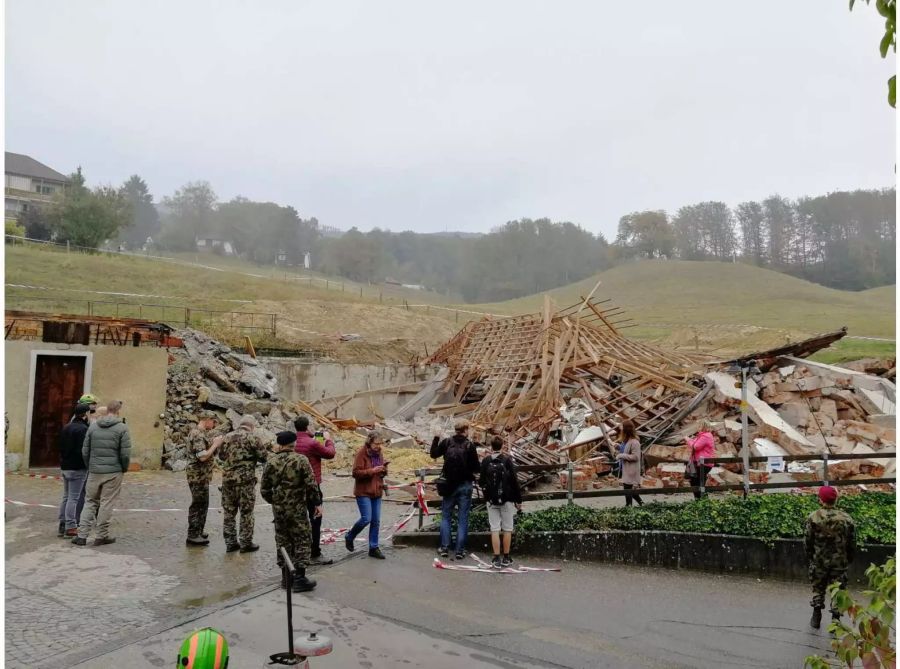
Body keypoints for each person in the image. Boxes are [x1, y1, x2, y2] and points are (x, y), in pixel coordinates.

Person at [261, 431, 321, 592]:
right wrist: (317, 503)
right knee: (302, 540)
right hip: (297, 509)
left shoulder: (271, 462)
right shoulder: (301, 460)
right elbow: (311, 484)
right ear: (293, 444)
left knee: (283, 542)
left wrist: (276, 502)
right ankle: (300, 578)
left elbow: (264, 489)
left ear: (280, 445)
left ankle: (286, 578)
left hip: (279, 511)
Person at [72, 400, 131, 547]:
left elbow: (85, 451)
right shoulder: (122, 428)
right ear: (118, 411)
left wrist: (90, 465)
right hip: (113, 471)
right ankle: (101, 535)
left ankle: (82, 535)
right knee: (106, 502)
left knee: (90, 501)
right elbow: (125, 454)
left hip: (94, 470)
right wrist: (123, 468)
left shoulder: (93, 427)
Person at [806, 485, 856, 629]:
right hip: (839, 562)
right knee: (838, 590)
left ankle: (816, 615)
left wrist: (811, 557)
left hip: (819, 560)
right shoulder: (846, 518)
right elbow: (852, 542)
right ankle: (835, 621)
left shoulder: (813, 517)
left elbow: (807, 541)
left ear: (820, 500)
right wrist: (848, 558)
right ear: (836, 499)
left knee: (818, 587)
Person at [218, 414, 270, 553]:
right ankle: (246, 543)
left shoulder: (227, 437)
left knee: (229, 513)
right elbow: (264, 457)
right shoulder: (253, 438)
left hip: (228, 481)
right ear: (252, 426)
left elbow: (221, 456)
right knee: (246, 512)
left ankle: (230, 543)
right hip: (245, 482)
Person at [430, 419, 480, 559]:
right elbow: (476, 467)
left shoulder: (446, 442)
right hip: (464, 485)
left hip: (449, 485)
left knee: (446, 516)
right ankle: (459, 550)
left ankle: (445, 547)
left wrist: (436, 437)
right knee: (462, 519)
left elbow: (433, 454)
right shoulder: (470, 445)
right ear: (466, 430)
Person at [294, 416, 336, 565]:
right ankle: (315, 552)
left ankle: (299, 551)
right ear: (307, 427)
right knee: (315, 519)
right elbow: (329, 453)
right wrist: (328, 439)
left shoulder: (293, 441)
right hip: (312, 486)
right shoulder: (312, 443)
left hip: (295, 487)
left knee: (299, 520)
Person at [478, 435, 522, 568]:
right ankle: (506, 557)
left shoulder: (486, 461)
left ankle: (496, 558)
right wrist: (518, 500)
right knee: (508, 528)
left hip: (491, 501)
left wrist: (487, 495)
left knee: (495, 528)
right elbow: (514, 481)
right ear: (502, 446)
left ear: (491, 446)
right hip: (507, 500)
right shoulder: (507, 460)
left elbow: (481, 482)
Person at [346, 431, 387, 559]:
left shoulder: (379, 453)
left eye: (380, 443)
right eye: (376, 443)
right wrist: (372, 471)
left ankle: (373, 547)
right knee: (366, 518)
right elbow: (355, 473)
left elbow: (381, 473)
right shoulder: (361, 453)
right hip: (363, 491)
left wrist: (383, 470)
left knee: (376, 521)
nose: (378, 446)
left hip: (377, 490)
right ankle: (350, 536)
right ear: (369, 442)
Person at [185, 411, 224, 546]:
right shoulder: (197, 434)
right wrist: (215, 444)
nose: (214, 425)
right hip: (197, 475)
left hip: (202, 475)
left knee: (203, 504)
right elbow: (202, 456)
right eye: (213, 422)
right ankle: (193, 534)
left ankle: (199, 530)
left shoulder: (201, 434)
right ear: (207, 420)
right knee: (198, 504)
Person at [57, 403, 90, 537]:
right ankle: (70, 526)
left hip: (65, 466)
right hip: (77, 467)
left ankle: (63, 522)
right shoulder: (83, 429)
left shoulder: (66, 427)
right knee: (74, 498)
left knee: (66, 496)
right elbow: (82, 450)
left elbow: (60, 446)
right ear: (85, 414)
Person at [616, 420, 644, 507]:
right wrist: (619, 447)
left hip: (631, 470)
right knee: (628, 489)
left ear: (626, 430)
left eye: (622, 428)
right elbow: (626, 450)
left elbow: (635, 457)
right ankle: (636, 504)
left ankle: (630, 505)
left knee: (628, 489)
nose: (620, 430)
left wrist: (621, 455)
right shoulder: (627, 441)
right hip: (627, 469)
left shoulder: (635, 442)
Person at [686, 421, 716, 499]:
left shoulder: (705, 436)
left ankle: (701, 501)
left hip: (704, 463)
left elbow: (696, 446)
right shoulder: (702, 435)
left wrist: (688, 440)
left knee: (698, 483)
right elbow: (694, 443)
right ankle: (700, 500)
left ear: (702, 426)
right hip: (699, 463)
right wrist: (690, 440)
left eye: (698, 426)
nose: (697, 428)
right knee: (695, 481)